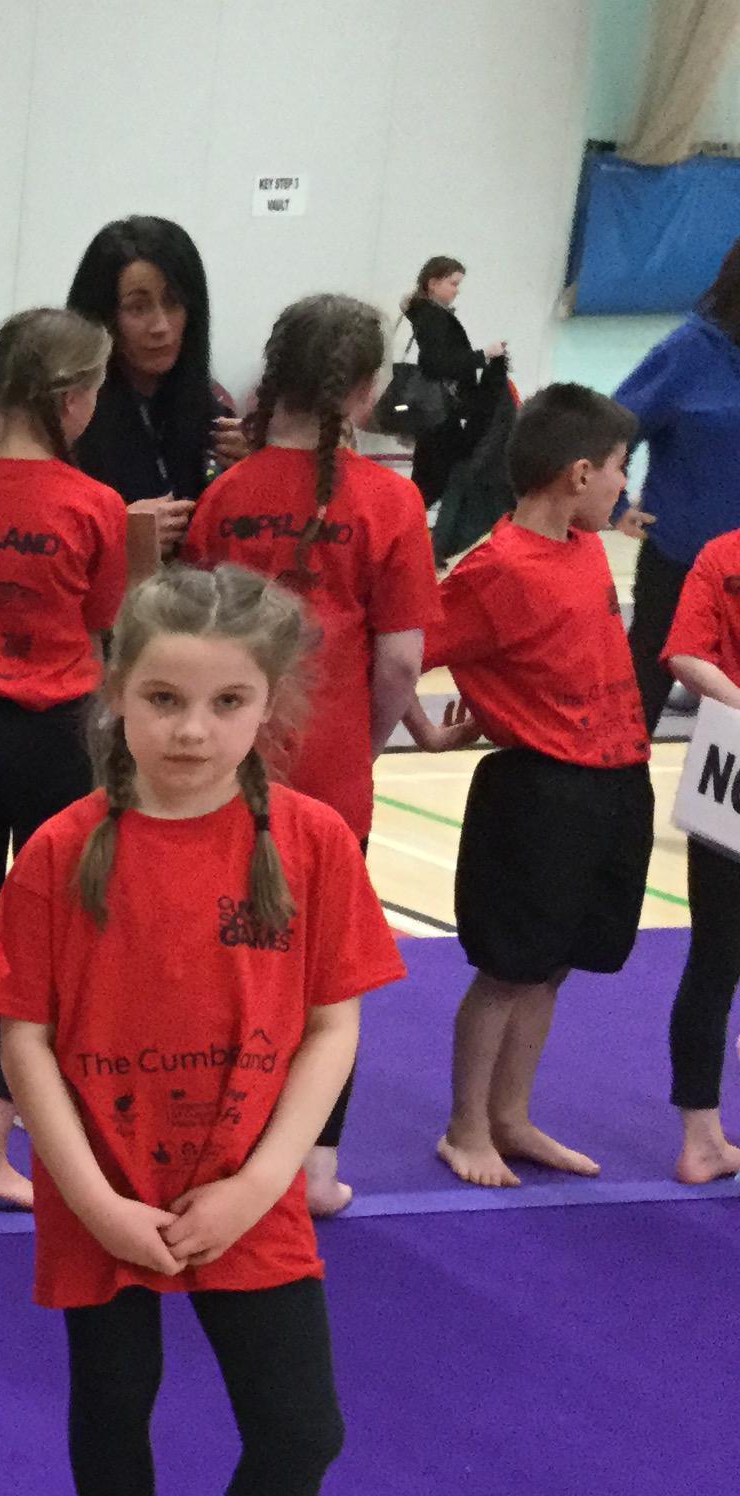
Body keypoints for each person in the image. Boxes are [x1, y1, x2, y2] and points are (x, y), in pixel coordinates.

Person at [0, 565, 401, 1496]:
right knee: (113, 1404)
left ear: (269, 707)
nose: (192, 731)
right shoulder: (61, 852)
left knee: (300, 1428)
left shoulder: (310, 842)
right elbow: (24, 1041)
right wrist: (92, 1199)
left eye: (228, 704)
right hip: (104, 1183)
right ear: (117, 694)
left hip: (244, 1187)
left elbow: (332, 1024)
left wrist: (262, 1180)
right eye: (164, 700)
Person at [185, 294, 443, 1215]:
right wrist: (362, 747)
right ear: (365, 392)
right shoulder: (390, 501)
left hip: (222, 769)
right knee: (322, 981)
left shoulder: (228, 495)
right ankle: (314, 1163)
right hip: (331, 776)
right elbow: (402, 660)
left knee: (220, 963)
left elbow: (190, 636)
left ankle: (208, 1142)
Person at [0, 307, 132, 1209]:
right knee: (43, 941)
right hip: (52, 737)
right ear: (72, 400)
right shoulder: (92, 505)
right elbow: (102, 624)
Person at [424, 384, 653, 1189]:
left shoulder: (585, 547)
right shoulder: (495, 569)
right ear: (579, 473)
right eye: (621, 468)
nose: (625, 484)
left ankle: (510, 1115)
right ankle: (464, 1127)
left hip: (616, 779)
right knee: (510, 968)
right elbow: (402, 647)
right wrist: (426, 730)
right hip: (540, 792)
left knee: (555, 963)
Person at [616, 237, 740, 741]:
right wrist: (616, 505)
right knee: (643, 685)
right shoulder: (686, 352)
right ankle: (618, 782)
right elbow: (612, 429)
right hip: (680, 560)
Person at [654, 519, 740, 1182]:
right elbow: (683, 653)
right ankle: (704, 1142)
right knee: (714, 961)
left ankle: (701, 1138)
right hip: (729, 774)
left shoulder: (722, 553)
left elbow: (687, 656)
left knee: (713, 961)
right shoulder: (722, 556)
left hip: (729, 762)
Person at [63, 215, 229, 555]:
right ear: (103, 316)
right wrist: (118, 530)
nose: (161, 326)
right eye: (138, 308)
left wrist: (250, 468)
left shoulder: (211, 414)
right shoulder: (66, 417)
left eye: (174, 302)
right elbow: (40, 530)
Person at [397, 257, 504, 510]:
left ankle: (409, 521)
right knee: (436, 479)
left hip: (436, 409)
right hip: (440, 409)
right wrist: (483, 355)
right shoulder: (432, 317)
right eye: (453, 284)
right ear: (433, 283)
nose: (457, 291)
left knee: (431, 478)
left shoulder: (428, 314)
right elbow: (437, 364)